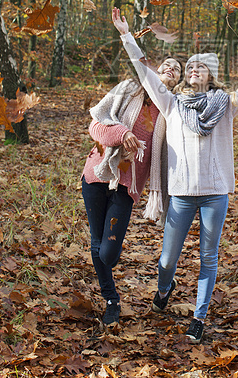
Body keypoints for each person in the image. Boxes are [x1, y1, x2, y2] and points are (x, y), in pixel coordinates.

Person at [112, 6, 238, 343]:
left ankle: (199, 317)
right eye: (191, 67)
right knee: (168, 259)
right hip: (182, 194)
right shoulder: (171, 103)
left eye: (201, 66)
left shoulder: (226, 103)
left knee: (209, 256)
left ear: (210, 76)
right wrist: (126, 35)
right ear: (186, 77)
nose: (195, 69)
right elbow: (144, 73)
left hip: (215, 192)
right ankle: (164, 288)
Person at [82, 51, 182, 328]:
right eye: (166, 65)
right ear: (155, 70)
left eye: (177, 69)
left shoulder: (171, 110)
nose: (171, 69)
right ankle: (111, 299)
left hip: (127, 185)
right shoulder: (128, 89)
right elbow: (96, 124)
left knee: (108, 254)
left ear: (178, 82)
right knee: (97, 241)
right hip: (97, 173)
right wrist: (122, 133)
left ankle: (106, 275)